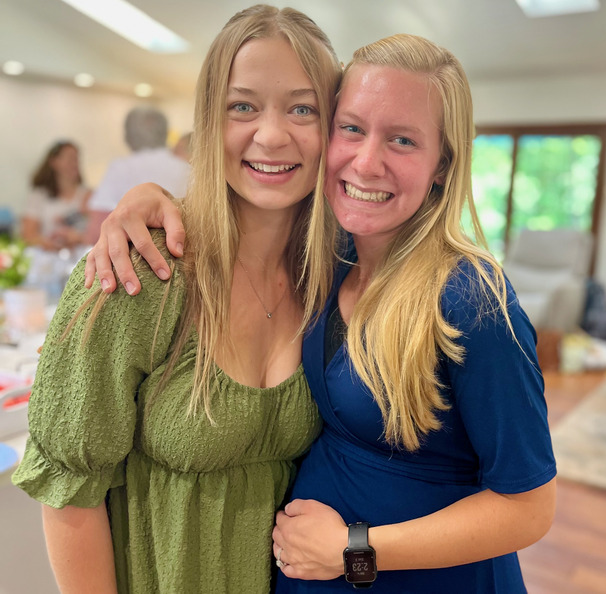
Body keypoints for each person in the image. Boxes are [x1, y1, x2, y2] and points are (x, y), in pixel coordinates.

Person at [84, 32, 557, 593]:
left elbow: (529, 508)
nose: (366, 160)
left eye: (403, 140)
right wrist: (151, 198)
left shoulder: (470, 300)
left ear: (441, 166)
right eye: (351, 128)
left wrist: (355, 551)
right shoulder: (329, 261)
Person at [12, 5, 342, 593]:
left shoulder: (330, 279)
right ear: (208, 122)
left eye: (302, 108)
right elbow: (69, 495)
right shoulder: (143, 271)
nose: (271, 134)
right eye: (243, 106)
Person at [85, 106, 191, 244]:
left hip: (134, 258)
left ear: (129, 135)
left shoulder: (120, 168)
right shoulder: (186, 168)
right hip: (181, 251)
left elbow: (97, 231)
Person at [21, 140, 92, 251]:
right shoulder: (38, 196)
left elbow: (96, 234)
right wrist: (47, 243)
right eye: (69, 158)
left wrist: (77, 238)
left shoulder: (88, 195)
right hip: (47, 258)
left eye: (76, 158)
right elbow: (28, 235)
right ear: (54, 162)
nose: (74, 163)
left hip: (79, 256)